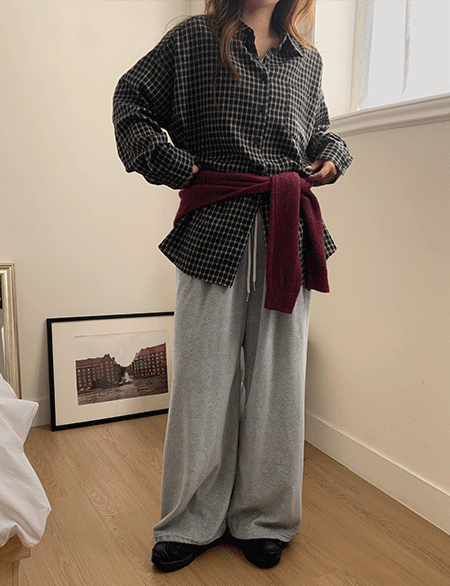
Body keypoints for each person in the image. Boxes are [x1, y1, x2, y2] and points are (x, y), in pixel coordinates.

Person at [113, 0, 352, 573]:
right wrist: (177, 166)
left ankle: (263, 519)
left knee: (279, 382)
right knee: (202, 379)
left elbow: (319, 131)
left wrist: (333, 156)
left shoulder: (307, 59)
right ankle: (191, 521)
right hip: (214, 224)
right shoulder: (193, 40)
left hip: (287, 227)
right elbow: (130, 100)